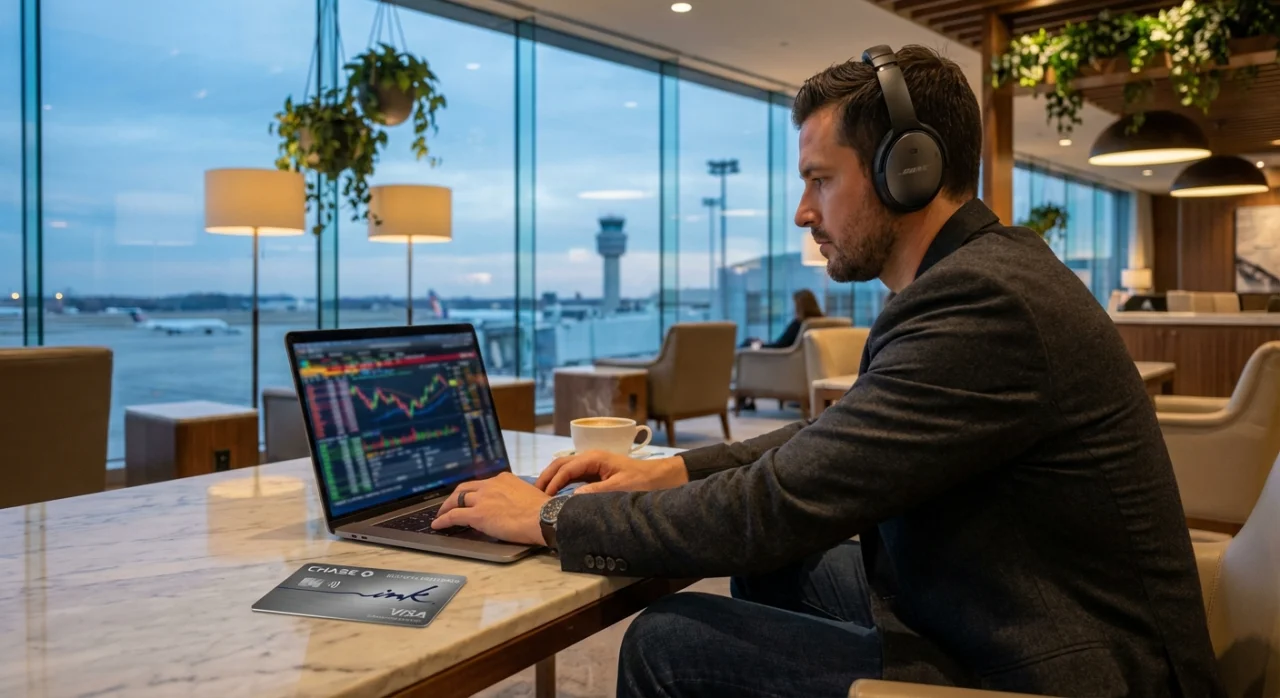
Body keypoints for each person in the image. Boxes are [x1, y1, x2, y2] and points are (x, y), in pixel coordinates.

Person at [431, 45, 1224, 697]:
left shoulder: (985, 304)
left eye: (819, 180)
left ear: (905, 170)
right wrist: (664, 471)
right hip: (1002, 598)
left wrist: (548, 520)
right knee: (772, 567)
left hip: (1072, 665)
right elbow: (823, 442)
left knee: (672, 641)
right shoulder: (972, 277)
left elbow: (778, 504)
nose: (803, 212)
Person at [738, 288, 826, 410]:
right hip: (799, 367)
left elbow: (780, 346)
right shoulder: (821, 322)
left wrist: (759, 345)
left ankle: (742, 399)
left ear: (799, 306)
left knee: (747, 345)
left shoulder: (799, 324)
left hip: (782, 362)